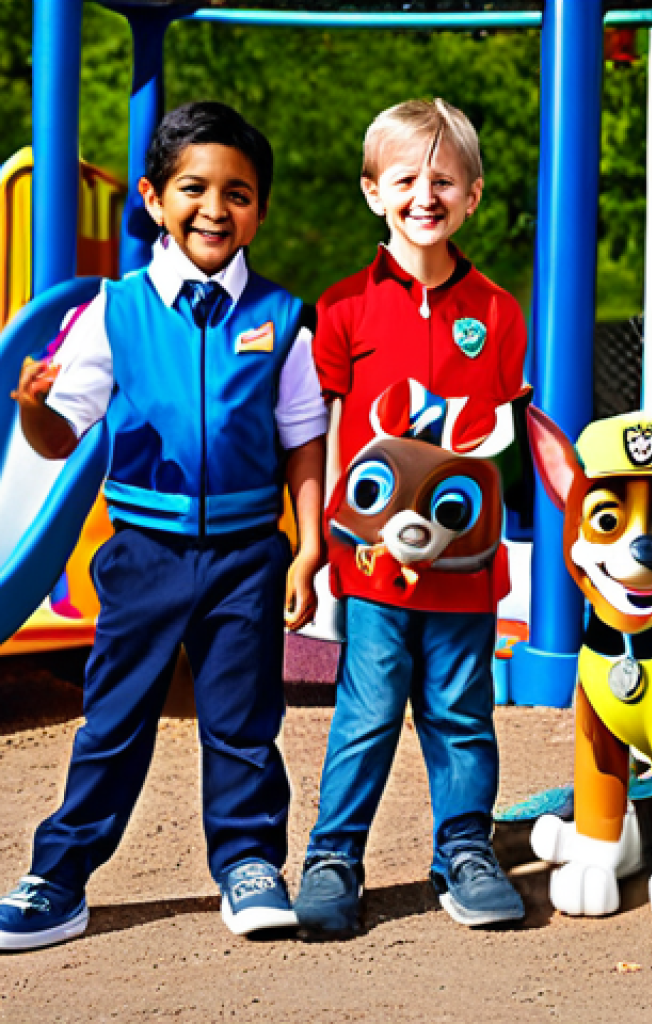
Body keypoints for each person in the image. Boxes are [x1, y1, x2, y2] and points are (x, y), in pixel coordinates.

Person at [0, 101, 327, 951]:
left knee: (244, 721)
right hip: (144, 553)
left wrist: (310, 547)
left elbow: (302, 441)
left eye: (239, 192)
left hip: (249, 554)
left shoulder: (283, 318)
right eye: (193, 188)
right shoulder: (115, 312)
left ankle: (251, 863)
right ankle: (59, 878)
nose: (215, 208)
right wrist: (35, 411)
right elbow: (60, 433)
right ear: (152, 196)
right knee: (115, 719)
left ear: (261, 207)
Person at [296, 98, 528, 937]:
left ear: (471, 194)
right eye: (405, 179)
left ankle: (465, 848)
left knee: (463, 710)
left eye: (443, 180)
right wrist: (314, 541)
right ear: (372, 192)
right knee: (365, 712)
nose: (423, 195)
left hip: (465, 566)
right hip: (371, 567)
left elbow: (494, 435)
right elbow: (320, 433)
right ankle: (332, 855)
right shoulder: (341, 309)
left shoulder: (499, 311)